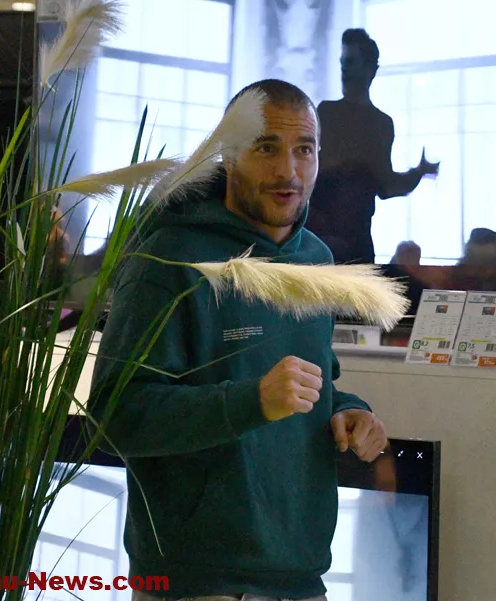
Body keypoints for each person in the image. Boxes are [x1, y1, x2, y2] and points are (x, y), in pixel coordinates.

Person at [88, 79, 388, 601]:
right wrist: (252, 402)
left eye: (305, 150)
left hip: (303, 577)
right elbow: (115, 418)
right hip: (197, 584)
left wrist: (349, 411)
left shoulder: (316, 260)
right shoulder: (168, 257)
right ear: (228, 155)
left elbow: (312, 386)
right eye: (266, 148)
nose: (288, 170)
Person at [306, 28, 439, 265]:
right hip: (322, 241)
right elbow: (385, 185)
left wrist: (418, 172)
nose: (343, 70)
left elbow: (386, 186)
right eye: (342, 63)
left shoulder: (379, 123)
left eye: (350, 62)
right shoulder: (328, 112)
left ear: (370, 69)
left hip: (353, 243)